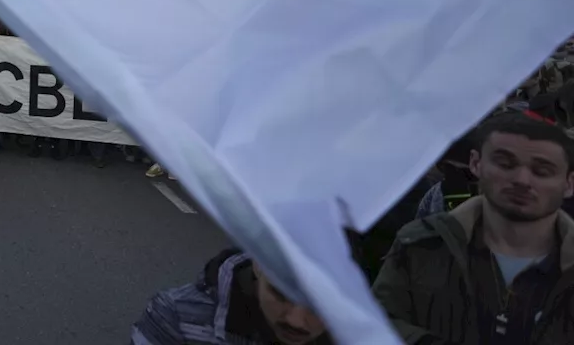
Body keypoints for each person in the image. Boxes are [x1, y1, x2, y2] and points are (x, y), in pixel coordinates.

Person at [373, 113, 574, 344]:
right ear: (475, 163)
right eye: (505, 163)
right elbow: (375, 325)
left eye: (542, 170)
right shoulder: (421, 246)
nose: (521, 179)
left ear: (569, 184)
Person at [131, 247, 333, 344]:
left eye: (323, 304)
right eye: (281, 293)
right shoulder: (175, 316)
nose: (296, 321)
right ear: (258, 265)